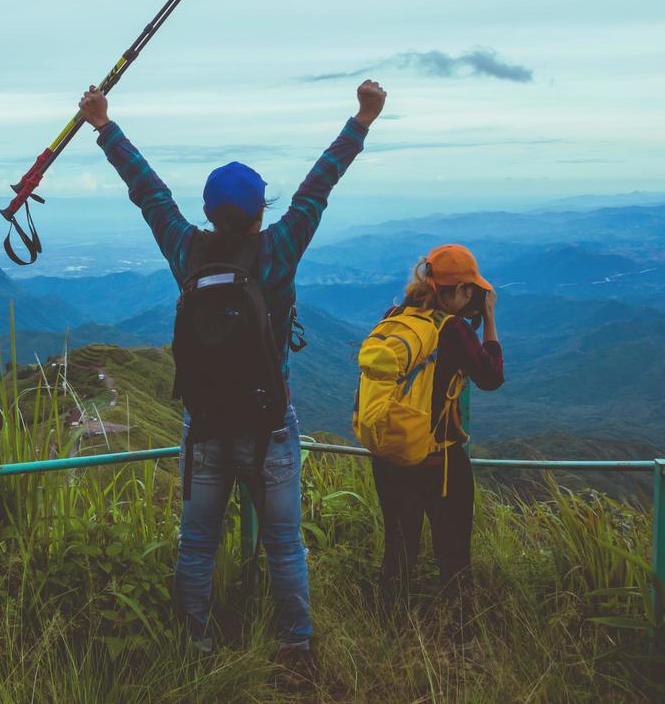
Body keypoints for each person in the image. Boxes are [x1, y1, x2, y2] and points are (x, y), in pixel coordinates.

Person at [79, 78, 386, 686]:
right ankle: (295, 650)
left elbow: (149, 193)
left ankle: (194, 647)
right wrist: (363, 118)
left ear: (209, 210)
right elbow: (318, 187)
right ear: (258, 213)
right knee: (285, 546)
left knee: (197, 545)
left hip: (206, 426)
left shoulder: (186, 251)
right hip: (270, 424)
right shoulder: (278, 251)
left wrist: (103, 124)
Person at [354, 244, 504, 628]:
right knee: (453, 555)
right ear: (461, 292)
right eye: (471, 291)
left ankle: (390, 630)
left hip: (390, 457)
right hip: (440, 463)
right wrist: (488, 319)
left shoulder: (396, 316)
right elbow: (490, 377)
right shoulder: (451, 329)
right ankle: (458, 637)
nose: (473, 297)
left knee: (398, 551)